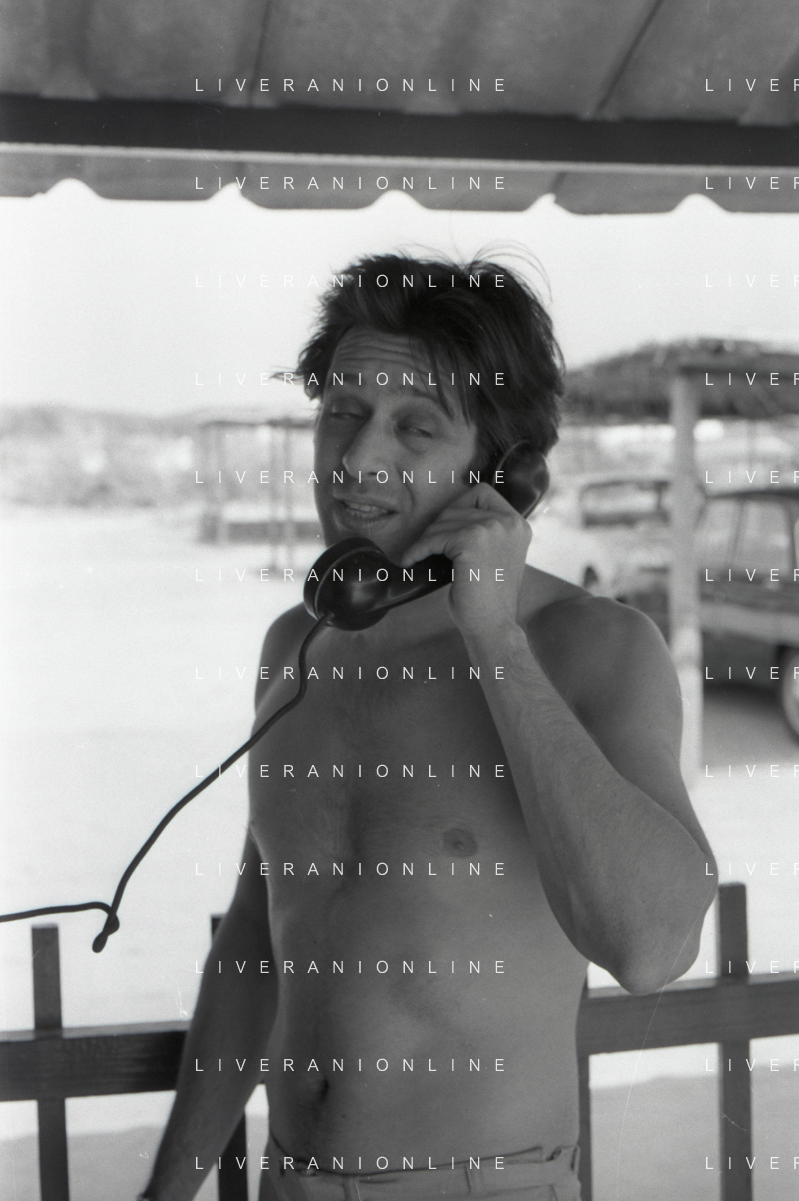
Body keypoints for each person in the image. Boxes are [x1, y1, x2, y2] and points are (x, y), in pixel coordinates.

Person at [141, 254, 718, 1201]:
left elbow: (653, 945)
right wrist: (166, 1189)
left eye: (415, 426)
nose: (357, 459)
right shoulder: (297, 645)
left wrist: (493, 639)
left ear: (500, 471)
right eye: (342, 413)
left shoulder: (590, 645)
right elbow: (258, 938)